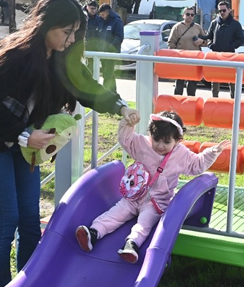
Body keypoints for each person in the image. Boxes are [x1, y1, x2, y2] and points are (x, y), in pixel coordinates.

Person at [0, 0, 138, 287]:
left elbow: (87, 88)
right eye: (66, 31)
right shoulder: (15, 56)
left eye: (76, 32)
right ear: (45, 25)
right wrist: (22, 135)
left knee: (30, 222)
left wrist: (120, 107)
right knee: (6, 223)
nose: (71, 38)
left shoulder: (63, 58)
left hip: (26, 144)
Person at [75, 111, 229, 264]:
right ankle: (93, 233)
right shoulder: (142, 144)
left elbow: (197, 165)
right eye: (156, 139)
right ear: (150, 134)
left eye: (166, 142)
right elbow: (125, 139)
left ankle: (131, 245)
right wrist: (128, 125)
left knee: (144, 223)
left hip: (156, 202)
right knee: (115, 213)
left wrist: (212, 152)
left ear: (178, 140)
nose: (160, 145)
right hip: (133, 196)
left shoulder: (181, 155)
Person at [200, 1, 244, 98]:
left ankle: (234, 102)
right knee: (215, 80)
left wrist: (231, 46)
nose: (222, 13)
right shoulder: (214, 23)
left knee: (232, 80)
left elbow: (241, 39)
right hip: (216, 56)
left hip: (230, 56)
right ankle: (214, 101)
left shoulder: (235, 24)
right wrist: (211, 45)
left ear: (229, 10)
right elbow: (209, 37)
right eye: (219, 11)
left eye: (224, 10)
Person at [168, 7, 205, 96]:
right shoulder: (177, 27)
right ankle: (177, 105)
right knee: (179, 85)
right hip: (181, 60)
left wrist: (201, 41)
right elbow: (171, 43)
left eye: (192, 15)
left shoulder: (197, 27)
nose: (190, 16)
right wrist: (175, 55)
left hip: (194, 59)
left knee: (192, 86)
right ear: (183, 15)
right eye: (188, 14)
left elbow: (206, 41)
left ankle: (190, 105)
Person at [97, 3, 124, 92]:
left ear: (107, 12)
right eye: (100, 15)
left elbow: (119, 37)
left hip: (112, 52)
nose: (102, 16)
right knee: (107, 73)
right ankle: (113, 92)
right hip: (102, 51)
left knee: (108, 73)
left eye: (103, 14)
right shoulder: (101, 21)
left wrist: (110, 47)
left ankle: (105, 92)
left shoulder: (117, 21)